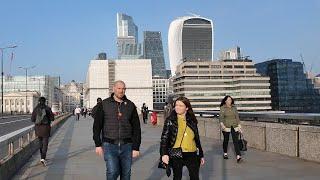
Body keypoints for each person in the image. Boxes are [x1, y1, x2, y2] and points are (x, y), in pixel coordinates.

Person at [93, 80, 141, 180]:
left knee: (126, 174)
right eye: (119, 88)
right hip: (109, 145)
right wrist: (98, 144)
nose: (121, 91)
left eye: (123, 89)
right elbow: (97, 126)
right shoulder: (104, 104)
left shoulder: (130, 105)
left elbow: (136, 127)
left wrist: (136, 147)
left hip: (127, 145)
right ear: (114, 89)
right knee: (113, 171)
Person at [160, 96, 205, 180]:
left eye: (181, 106)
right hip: (176, 152)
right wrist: (164, 154)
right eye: (176, 105)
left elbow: (197, 138)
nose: (177, 107)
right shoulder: (170, 120)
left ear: (187, 108)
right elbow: (164, 138)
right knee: (177, 177)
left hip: (192, 152)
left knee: (195, 177)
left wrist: (201, 154)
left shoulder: (192, 120)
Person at [31, 97, 54, 166]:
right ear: (45, 101)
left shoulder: (35, 109)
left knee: (40, 143)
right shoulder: (48, 108)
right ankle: (43, 158)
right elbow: (52, 118)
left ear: (38, 101)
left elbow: (32, 119)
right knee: (45, 144)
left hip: (38, 128)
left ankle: (42, 157)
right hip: (46, 128)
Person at [219, 95, 243, 163]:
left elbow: (237, 117)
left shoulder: (234, 107)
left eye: (231, 100)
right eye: (229, 100)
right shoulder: (223, 108)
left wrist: (239, 126)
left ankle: (238, 155)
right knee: (226, 140)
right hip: (226, 126)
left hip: (234, 126)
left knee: (236, 141)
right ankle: (225, 153)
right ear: (225, 101)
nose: (230, 101)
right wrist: (222, 125)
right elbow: (221, 117)